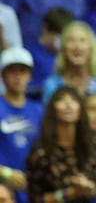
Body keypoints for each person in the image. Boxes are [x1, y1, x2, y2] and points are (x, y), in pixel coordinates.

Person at [25, 87, 96, 203]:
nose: (68, 104)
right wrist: (67, 194)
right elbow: (34, 198)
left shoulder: (90, 145)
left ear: (81, 111)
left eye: (73, 100)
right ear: (53, 110)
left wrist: (89, 188)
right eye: (61, 100)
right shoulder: (41, 152)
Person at [0, 48, 41, 198]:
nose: (17, 76)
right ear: (2, 75)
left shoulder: (39, 110)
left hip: (33, 187)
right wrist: (5, 172)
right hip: (3, 188)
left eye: (22, 71)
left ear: (30, 75)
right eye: (12, 71)